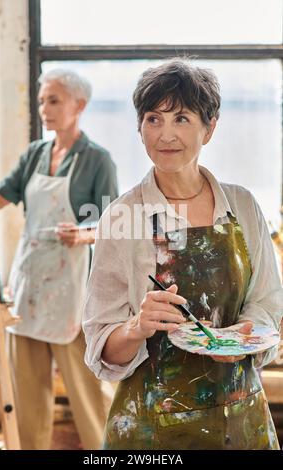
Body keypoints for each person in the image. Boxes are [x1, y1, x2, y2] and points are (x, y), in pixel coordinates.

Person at [83, 59, 283, 450]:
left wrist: (243, 335)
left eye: (181, 118)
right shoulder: (121, 216)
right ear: (139, 129)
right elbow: (100, 344)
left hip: (240, 418)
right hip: (150, 428)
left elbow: (268, 302)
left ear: (209, 128)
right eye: (153, 119)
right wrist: (137, 326)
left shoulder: (242, 204)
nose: (165, 134)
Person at [0, 69, 118, 450]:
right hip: (29, 283)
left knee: (89, 393)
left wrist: (84, 233)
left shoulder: (97, 160)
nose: (45, 108)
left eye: (54, 100)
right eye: (42, 100)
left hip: (72, 289)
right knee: (26, 396)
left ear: (80, 105)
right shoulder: (35, 154)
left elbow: (111, 225)